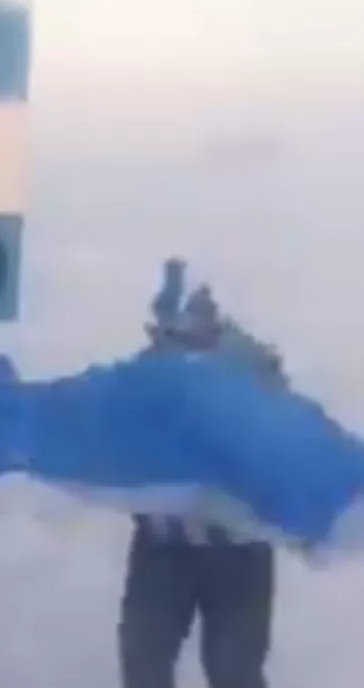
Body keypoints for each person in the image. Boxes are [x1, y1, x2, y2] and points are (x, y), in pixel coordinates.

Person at [118, 266, 284, 688]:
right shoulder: (143, 372)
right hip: (162, 545)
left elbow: (284, 442)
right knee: (144, 664)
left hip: (238, 549)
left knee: (235, 673)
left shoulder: (252, 368)